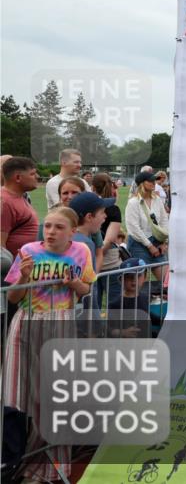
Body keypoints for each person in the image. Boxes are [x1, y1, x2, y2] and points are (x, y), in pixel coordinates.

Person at [3, 206, 95, 483]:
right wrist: (23, 277)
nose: (51, 231)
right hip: (27, 323)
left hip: (61, 324)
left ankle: (49, 465)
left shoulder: (81, 252)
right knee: (16, 394)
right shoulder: (28, 250)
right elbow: (13, 298)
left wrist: (75, 282)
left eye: (59, 227)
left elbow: (86, 290)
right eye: (48, 225)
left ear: (72, 232)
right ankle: (13, 460)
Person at [124, 171, 168, 281]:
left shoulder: (157, 199)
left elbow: (164, 220)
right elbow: (134, 228)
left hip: (157, 242)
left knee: (167, 280)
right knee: (138, 281)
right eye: (150, 181)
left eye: (154, 180)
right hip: (138, 244)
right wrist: (149, 246)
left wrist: (164, 242)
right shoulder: (133, 202)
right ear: (141, 184)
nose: (154, 183)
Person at [1, 157, 39, 259]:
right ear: (18, 178)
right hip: (12, 270)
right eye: (32, 174)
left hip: (23, 269)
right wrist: (8, 272)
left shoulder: (19, 196)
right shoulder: (4, 202)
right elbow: (1, 247)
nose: (37, 177)